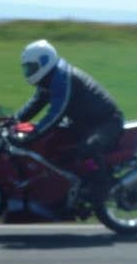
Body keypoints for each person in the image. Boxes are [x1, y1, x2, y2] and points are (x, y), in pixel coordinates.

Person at [13, 39, 124, 209]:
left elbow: (56, 112)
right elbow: (36, 103)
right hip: (84, 123)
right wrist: (13, 121)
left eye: (31, 67)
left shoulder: (62, 78)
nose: (28, 71)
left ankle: (100, 190)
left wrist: (35, 133)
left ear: (43, 63)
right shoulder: (49, 78)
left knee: (90, 147)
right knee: (57, 144)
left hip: (106, 121)